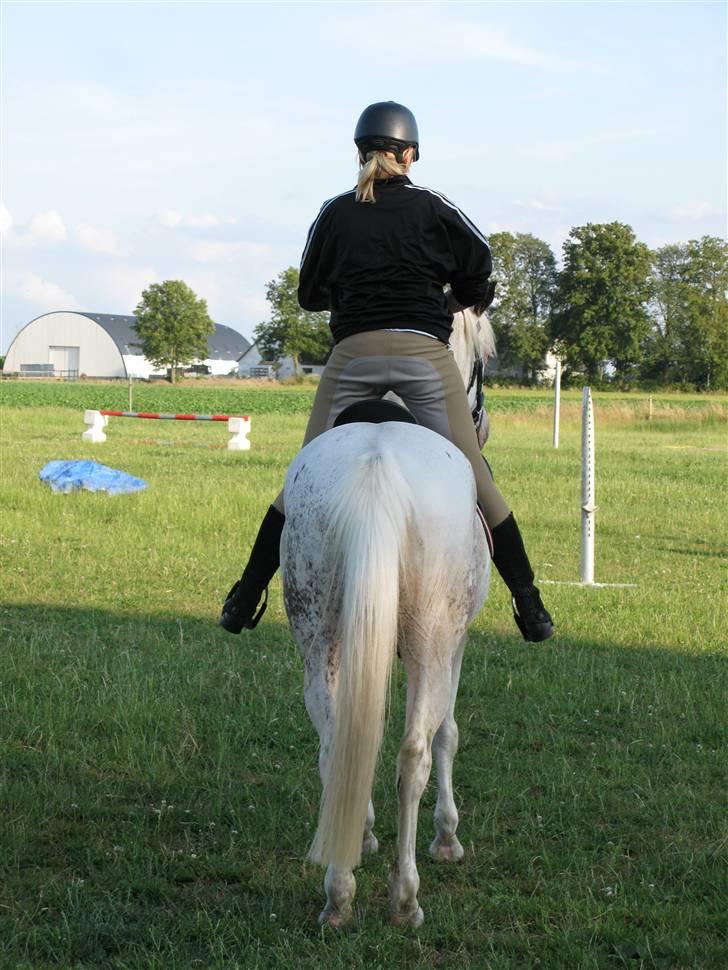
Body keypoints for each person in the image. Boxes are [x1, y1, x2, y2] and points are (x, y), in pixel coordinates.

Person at [220, 101, 553, 642]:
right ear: (410, 154)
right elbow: (482, 263)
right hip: (424, 355)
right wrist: (455, 297)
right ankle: (529, 602)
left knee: (300, 476)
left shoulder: (334, 211)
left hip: (352, 357)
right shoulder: (432, 206)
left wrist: (355, 294)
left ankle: (244, 593)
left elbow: (307, 294)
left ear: (361, 153)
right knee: (475, 475)